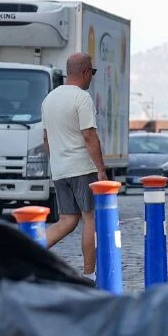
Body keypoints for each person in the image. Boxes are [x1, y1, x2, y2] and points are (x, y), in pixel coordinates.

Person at [41, 52, 108, 280]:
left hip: (60, 169)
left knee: (67, 221)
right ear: (86, 72)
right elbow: (89, 135)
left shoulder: (49, 99)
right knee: (90, 218)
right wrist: (101, 170)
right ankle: (89, 275)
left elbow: (46, 139)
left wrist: (57, 162)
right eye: (93, 72)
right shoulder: (82, 98)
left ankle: (25, 252)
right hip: (82, 168)